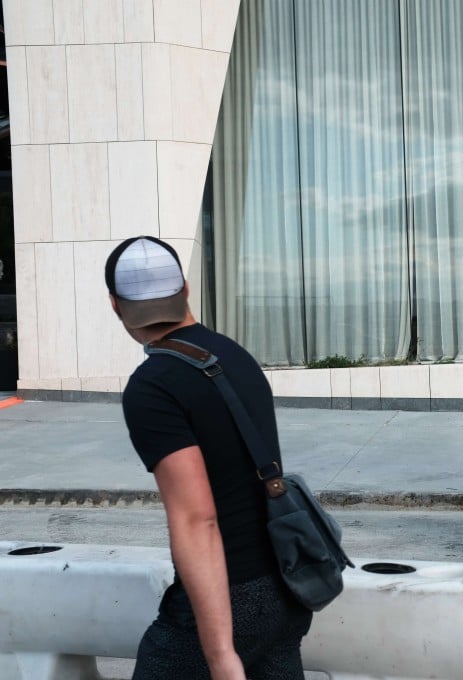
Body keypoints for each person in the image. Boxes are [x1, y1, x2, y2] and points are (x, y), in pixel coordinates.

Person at [106, 235, 312, 680]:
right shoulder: (235, 357)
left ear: (115, 305)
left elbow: (197, 520)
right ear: (184, 289)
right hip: (285, 585)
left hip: (232, 599)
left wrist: (221, 655)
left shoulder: (154, 384)